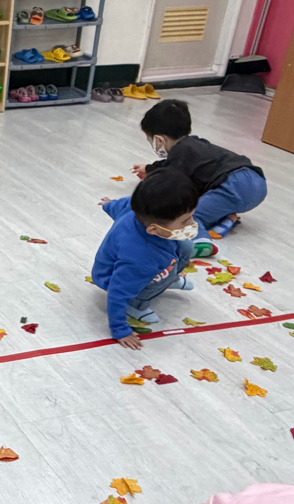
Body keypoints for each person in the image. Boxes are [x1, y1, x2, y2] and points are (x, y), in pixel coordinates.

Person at [91, 168, 199, 351]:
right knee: (163, 274)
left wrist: (109, 204)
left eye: (191, 216)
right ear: (154, 229)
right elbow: (117, 293)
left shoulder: (136, 207)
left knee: (186, 246)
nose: (192, 223)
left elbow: (119, 206)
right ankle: (137, 305)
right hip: (115, 277)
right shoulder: (140, 260)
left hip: (141, 261)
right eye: (184, 221)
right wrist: (120, 330)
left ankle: (170, 278)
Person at [133, 99, 267, 240]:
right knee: (201, 199)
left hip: (235, 186)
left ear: (159, 140)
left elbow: (170, 180)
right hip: (255, 180)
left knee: (184, 219)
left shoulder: (180, 152)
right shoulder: (194, 144)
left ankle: (207, 237)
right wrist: (149, 168)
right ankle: (224, 216)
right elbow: (171, 165)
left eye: (149, 139)